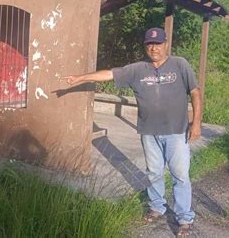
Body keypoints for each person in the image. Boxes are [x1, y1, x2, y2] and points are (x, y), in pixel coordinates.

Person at [64, 27, 201, 237]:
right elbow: (110, 73)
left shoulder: (179, 64)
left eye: (158, 43)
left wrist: (196, 122)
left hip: (176, 131)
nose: (154, 48)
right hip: (149, 131)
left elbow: (195, 92)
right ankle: (157, 207)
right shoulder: (138, 69)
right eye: (149, 44)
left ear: (166, 45)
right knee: (154, 172)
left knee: (180, 175)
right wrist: (80, 78)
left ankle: (184, 218)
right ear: (146, 46)